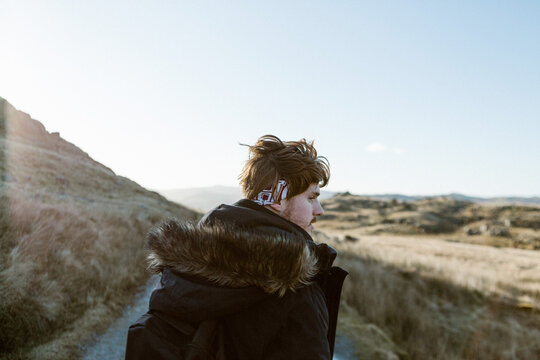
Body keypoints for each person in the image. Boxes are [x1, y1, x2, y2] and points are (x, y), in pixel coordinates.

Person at [126, 135, 347, 360]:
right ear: (277, 198)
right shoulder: (295, 287)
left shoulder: (186, 269)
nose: (319, 210)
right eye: (311, 198)